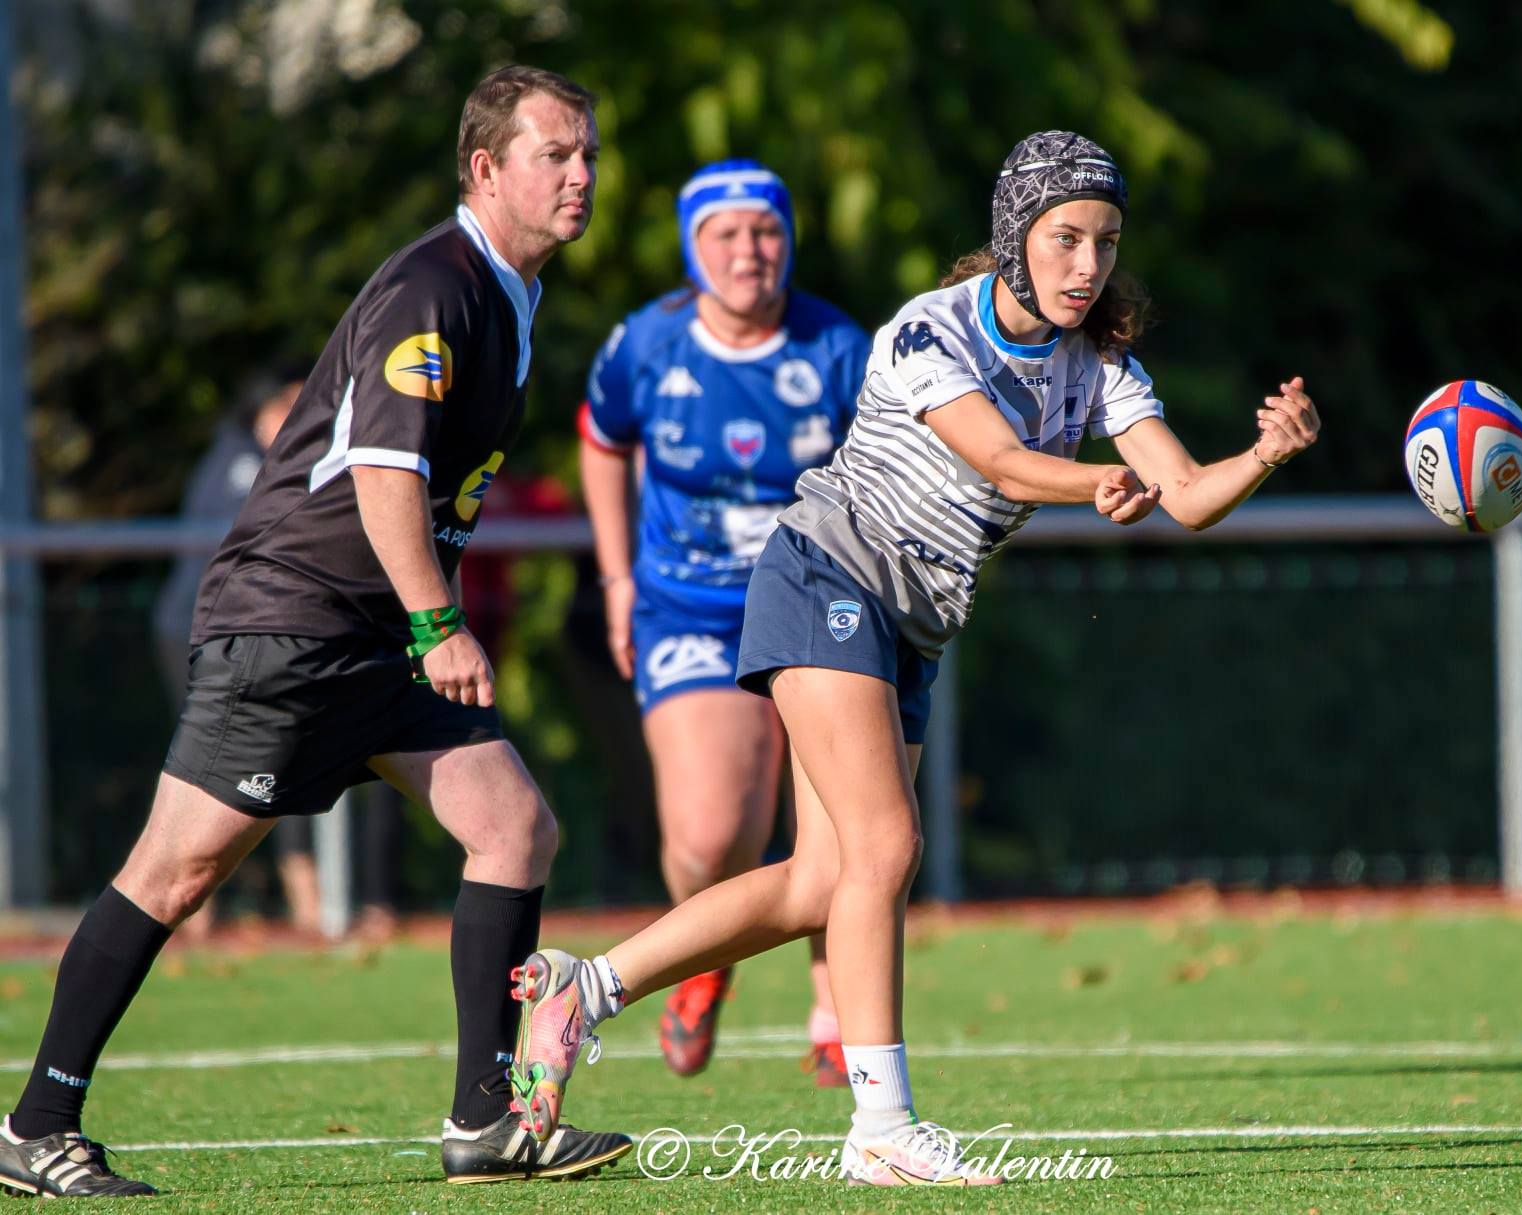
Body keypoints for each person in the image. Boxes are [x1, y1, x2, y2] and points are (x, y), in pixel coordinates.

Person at [508, 129, 1322, 1185]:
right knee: (885, 848)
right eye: (1065, 237)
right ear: (1014, 233)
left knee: (818, 880)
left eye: (1105, 242)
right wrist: (1097, 486)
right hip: (821, 574)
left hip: (908, 625)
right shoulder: (926, 331)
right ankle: (881, 1129)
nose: (1086, 265)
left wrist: (1262, 452)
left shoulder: (1099, 365)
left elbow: (1189, 495)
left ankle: (587, 989)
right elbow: (998, 459)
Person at [0, 66, 631, 1198]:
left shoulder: (509, 296)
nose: (580, 174)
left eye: (586, 152)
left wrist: (415, 625)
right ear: (485, 171)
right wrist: (440, 620)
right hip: (292, 625)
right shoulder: (433, 285)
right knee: (175, 874)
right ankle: (35, 1124)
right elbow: (386, 472)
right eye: (555, 154)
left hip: (370, 640)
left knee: (512, 826)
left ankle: (484, 1118)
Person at [578, 159, 869, 1085]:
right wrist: (618, 577)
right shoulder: (646, 344)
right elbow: (599, 438)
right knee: (709, 836)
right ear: (690, 247)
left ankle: (839, 1012)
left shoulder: (836, 346)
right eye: (726, 235)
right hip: (689, 606)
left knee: (846, 825)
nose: (749, 252)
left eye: (766, 231)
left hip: (823, 598)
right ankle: (703, 961)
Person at [151, 366, 322, 939]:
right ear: (264, 413)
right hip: (207, 634)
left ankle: (308, 908)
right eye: (291, 407)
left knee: (271, 764)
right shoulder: (243, 465)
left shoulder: (259, 460)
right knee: (209, 767)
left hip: (241, 633)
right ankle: (185, 910)